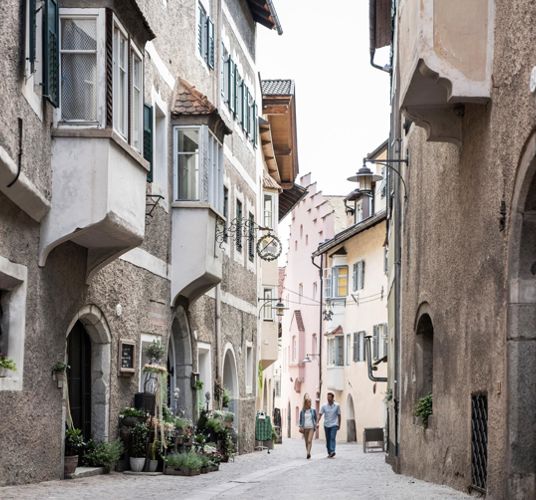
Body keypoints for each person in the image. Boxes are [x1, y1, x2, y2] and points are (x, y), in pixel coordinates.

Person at [317, 391, 341, 458]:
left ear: (333, 398)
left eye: (330, 397)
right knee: (328, 439)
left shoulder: (337, 406)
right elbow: (320, 414)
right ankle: (329, 452)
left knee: (332, 437)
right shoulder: (324, 406)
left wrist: (339, 424)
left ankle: (332, 451)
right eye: (327, 397)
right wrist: (317, 422)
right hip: (326, 425)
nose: (328, 399)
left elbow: (339, 415)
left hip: (334, 424)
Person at [298, 395, 318, 459]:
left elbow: (315, 418)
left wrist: (316, 424)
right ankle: (308, 452)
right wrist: (301, 427)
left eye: (310, 402)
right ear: (305, 403)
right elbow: (300, 420)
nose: (310, 403)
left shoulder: (313, 410)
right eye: (308, 402)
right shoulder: (302, 411)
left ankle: (308, 453)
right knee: (306, 442)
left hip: (311, 427)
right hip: (305, 428)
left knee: (309, 440)